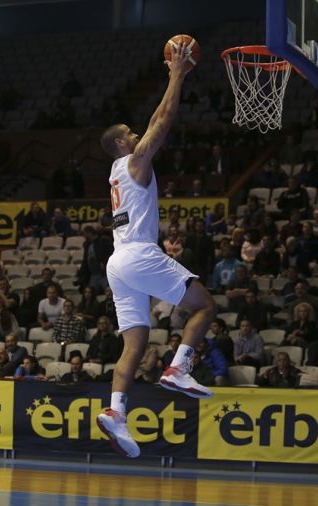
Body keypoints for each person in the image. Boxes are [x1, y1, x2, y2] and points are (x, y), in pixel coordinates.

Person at [95, 44, 216, 459]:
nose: (137, 134)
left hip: (118, 262)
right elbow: (161, 122)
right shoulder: (133, 164)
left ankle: (115, 409)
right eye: (131, 133)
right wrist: (176, 75)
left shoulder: (116, 173)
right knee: (204, 306)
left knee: (136, 341)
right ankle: (180, 367)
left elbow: (150, 125)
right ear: (121, 143)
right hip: (136, 255)